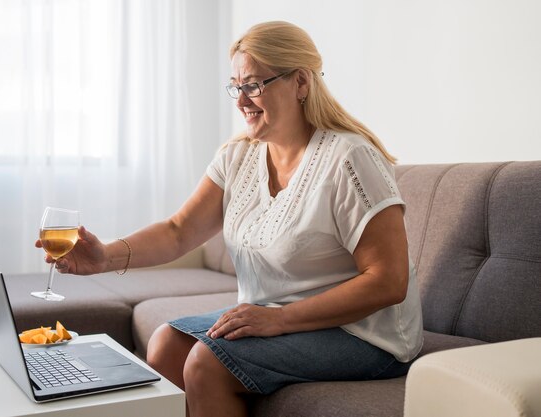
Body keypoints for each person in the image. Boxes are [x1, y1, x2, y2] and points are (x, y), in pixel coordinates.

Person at [39, 21, 423, 417]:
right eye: (236, 86)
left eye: (254, 85)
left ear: (301, 84)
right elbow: (177, 232)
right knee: (166, 344)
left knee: (207, 363)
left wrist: (280, 320)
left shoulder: (349, 159)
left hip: (363, 334)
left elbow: (388, 280)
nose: (241, 100)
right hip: (276, 314)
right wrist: (104, 257)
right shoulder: (238, 155)